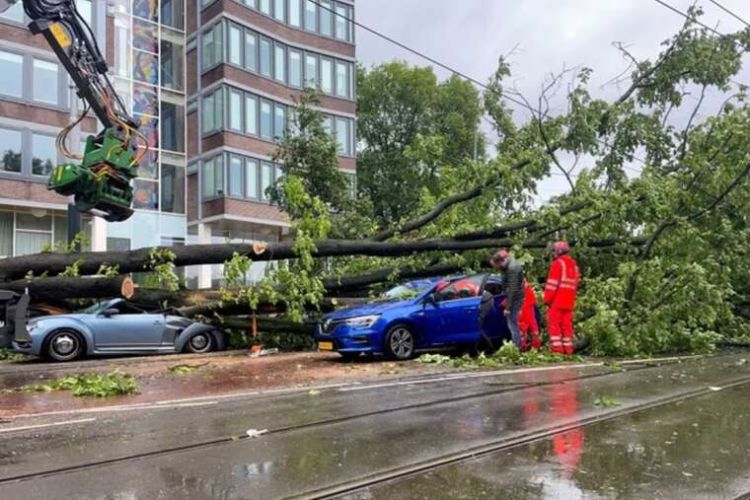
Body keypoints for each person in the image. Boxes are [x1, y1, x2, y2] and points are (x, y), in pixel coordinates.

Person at [544, 241, 580, 355]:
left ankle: (557, 350)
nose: (553, 254)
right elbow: (576, 284)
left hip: (558, 300)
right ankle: (568, 349)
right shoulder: (574, 265)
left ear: (558, 251)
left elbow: (551, 285)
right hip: (569, 301)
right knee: (566, 325)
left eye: (554, 251)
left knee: (554, 324)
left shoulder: (558, 264)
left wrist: (547, 300)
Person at [490, 249, 525, 348]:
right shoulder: (507, 267)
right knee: (513, 323)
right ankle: (518, 345)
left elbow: (513, 289)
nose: (496, 268)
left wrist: (508, 308)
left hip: (516, 299)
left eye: (495, 266)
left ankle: (517, 347)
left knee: (512, 323)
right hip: (515, 298)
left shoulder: (512, 268)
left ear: (500, 262)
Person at [518, 280, 541, 351]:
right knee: (533, 326)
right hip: (529, 303)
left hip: (523, 304)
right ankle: (536, 347)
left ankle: (523, 348)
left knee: (522, 326)